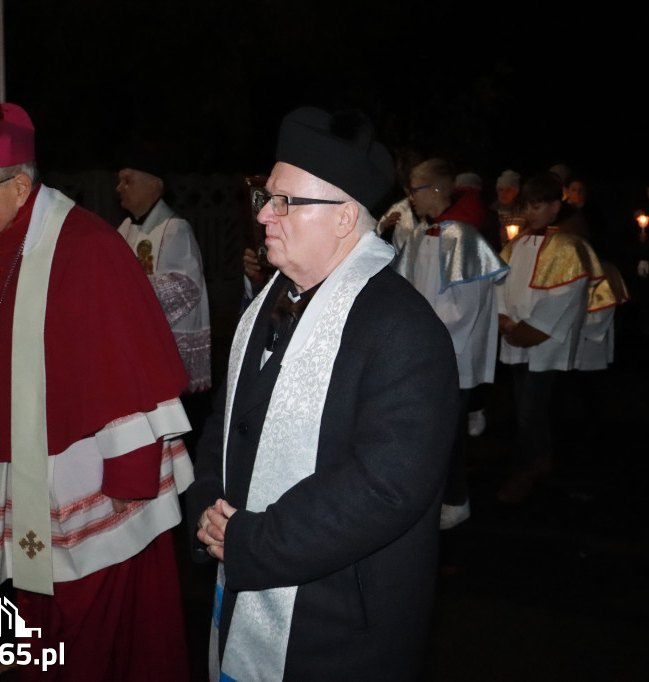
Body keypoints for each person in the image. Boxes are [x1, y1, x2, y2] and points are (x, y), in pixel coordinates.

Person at [187, 107, 460, 681]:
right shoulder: (267, 303)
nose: (264, 214)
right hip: (239, 567)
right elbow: (227, 422)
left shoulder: (403, 329)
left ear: (343, 218)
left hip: (335, 621)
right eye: (266, 195)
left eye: (285, 201)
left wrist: (252, 542)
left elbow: (386, 487)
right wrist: (208, 508)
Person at [0, 97, 192, 680]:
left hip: (89, 471)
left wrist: (131, 475)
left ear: (21, 187)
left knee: (93, 616)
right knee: (41, 602)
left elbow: (127, 365)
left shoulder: (88, 247)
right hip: (26, 463)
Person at [394, 158, 507, 528]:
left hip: (450, 350)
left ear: (438, 189)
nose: (410, 197)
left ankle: (457, 499)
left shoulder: (463, 239)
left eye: (416, 189)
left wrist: (423, 335)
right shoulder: (421, 236)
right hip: (423, 346)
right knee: (430, 426)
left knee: (448, 428)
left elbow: (466, 307)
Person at [495, 172, 605, 504]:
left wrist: (528, 329)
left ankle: (522, 470)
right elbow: (499, 283)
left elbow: (565, 296)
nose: (531, 213)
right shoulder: (517, 245)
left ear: (556, 206)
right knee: (527, 409)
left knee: (531, 410)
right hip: (514, 334)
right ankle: (541, 459)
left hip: (544, 340)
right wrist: (503, 319)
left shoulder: (569, 247)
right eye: (527, 206)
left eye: (538, 206)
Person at [115, 142, 213, 442]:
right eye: (119, 181)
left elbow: (186, 288)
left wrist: (128, 292)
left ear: (154, 185)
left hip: (168, 357)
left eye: (128, 180)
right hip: (137, 353)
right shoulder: (125, 229)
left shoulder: (175, 228)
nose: (119, 188)